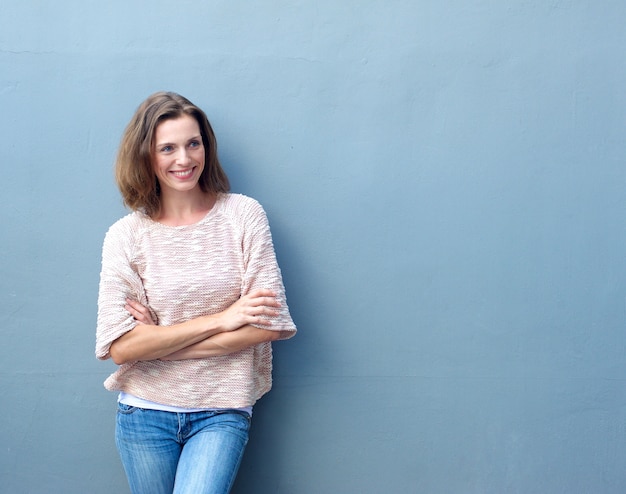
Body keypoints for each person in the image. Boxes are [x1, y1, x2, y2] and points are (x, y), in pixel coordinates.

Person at [95, 91, 297, 494]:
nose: (184, 159)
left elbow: (269, 324)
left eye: (193, 143)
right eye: (167, 148)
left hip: (221, 409)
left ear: (206, 146)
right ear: (146, 156)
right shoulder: (126, 235)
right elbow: (119, 348)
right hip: (144, 412)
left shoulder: (243, 215)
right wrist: (225, 318)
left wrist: (155, 343)